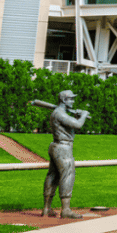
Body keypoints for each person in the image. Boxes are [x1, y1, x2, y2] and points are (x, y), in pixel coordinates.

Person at [33, 90, 89, 218]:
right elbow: (78, 125)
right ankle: (66, 210)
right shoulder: (59, 113)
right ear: (64, 100)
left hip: (57, 146)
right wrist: (84, 115)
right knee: (67, 175)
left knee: (53, 176)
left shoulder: (59, 113)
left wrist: (76, 115)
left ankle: (47, 209)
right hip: (63, 148)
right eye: (71, 99)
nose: (73, 101)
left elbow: (69, 126)